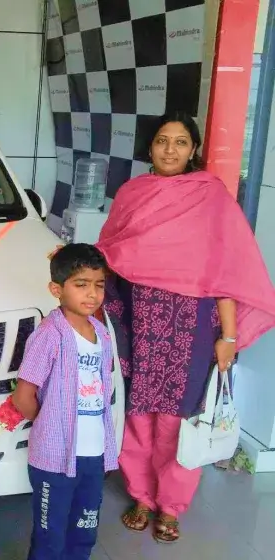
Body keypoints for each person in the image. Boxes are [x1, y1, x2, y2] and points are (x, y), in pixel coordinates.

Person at [97, 111, 275, 543]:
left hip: (193, 328)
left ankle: (171, 507)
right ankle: (141, 495)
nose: (170, 150)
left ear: (193, 149)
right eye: (162, 141)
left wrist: (228, 337)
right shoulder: (133, 194)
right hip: (139, 323)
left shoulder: (210, 197)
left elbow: (226, 273)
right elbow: (110, 255)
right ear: (150, 147)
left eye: (180, 142)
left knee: (181, 421)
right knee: (137, 416)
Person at [12, 243, 118, 560]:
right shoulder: (49, 335)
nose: (92, 294)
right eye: (81, 285)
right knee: (50, 537)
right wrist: (50, 426)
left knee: (85, 532)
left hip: (93, 454)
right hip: (56, 458)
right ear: (56, 289)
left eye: (99, 285)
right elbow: (23, 395)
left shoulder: (101, 332)